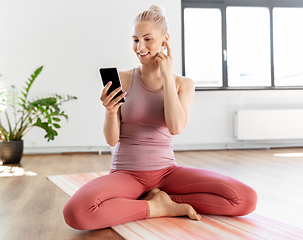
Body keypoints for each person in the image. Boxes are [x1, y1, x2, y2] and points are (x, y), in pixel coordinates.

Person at [63, 5, 257, 230]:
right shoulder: (123, 78)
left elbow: (175, 127)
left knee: (245, 199)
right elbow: (111, 140)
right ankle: (156, 207)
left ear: (165, 39)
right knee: (76, 212)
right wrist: (110, 111)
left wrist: (166, 75)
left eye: (147, 39)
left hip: (168, 173)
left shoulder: (183, 84)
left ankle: (166, 200)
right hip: (127, 173)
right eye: (135, 40)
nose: (140, 47)